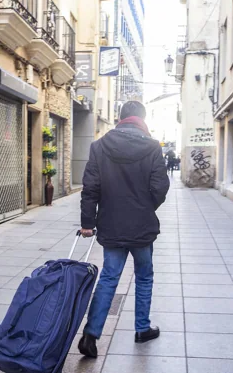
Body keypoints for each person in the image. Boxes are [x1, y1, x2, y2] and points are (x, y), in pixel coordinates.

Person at [78, 101, 170, 358]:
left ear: (120, 118)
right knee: (144, 276)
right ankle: (142, 328)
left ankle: (91, 335)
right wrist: (144, 206)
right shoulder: (152, 147)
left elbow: (90, 188)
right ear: (141, 119)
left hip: (112, 225)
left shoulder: (99, 146)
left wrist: (88, 223)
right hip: (142, 227)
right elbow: (160, 186)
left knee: (109, 278)